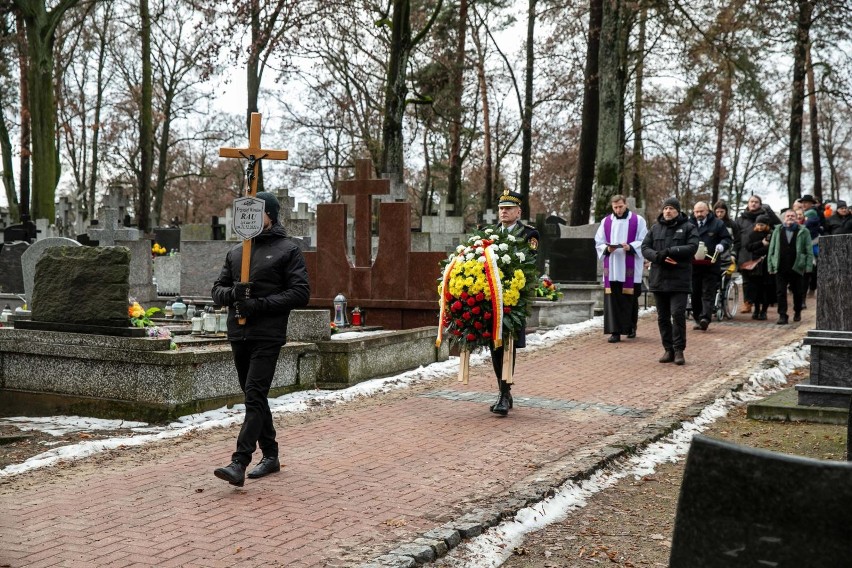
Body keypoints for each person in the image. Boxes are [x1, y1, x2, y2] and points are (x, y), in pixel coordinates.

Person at [210, 191, 310, 486]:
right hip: (239, 332)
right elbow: (217, 291)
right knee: (255, 396)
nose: (249, 218)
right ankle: (271, 454)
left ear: (270, 215)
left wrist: (260, 304)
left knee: (254, 393)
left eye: (256, 212)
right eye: (245, 213)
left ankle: (239, 461)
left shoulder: (286, 250)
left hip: (267, 333)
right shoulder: (237, 252)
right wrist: (234, 294)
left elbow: (300, 293)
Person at [489, 189, 539, 416]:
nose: (503, 212)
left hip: (513, 298)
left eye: (508, 208)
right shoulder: (489, 233)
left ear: (518, 211)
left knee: (508, 345)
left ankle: (503, 392)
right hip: (491, 298)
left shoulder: (529, 234)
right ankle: (504, 393)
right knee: (494, 345)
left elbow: (530, 264)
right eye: (501, 208)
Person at [641, 197, 699, 366]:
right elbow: (645, 247)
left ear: (678, 211)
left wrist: (670, 251)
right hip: (659, 279)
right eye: (665, 208)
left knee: (677, 313)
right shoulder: (655, 228)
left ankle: (679, 349)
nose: (667, 211)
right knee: (663, 317)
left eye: (671, 208)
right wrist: (656, 256)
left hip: (679, 280)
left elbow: (692, 247)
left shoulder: (689, 227)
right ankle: (668, 349)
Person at [594, 195, 648, 343]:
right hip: (612, 266)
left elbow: (644, 241)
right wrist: (607, 248)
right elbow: (598, 241)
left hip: (629, 266)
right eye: (615, 207)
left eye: (620, 206)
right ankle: (615, 332)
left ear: (625, 205)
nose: (618, 210)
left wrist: (630, 247)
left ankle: (631, 326)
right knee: (612, 300)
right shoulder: (606, 222)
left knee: (630, 298)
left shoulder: (638, 221)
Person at [688, 201, 731, 331]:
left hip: (711, 264)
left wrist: (722, 245)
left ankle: (705, 318)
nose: (699, 214)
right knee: (695, 292)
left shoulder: (717, 224)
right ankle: (697, 317)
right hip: (694, 265)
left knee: (708, 291)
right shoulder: (689, 224)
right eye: (696, 212)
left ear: (707, 211)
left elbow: (727, 239)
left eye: (701, 211)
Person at [735, 195, 781, 314]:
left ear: (760, 204)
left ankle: (761, 306)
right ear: (748, 203)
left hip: (762, 255)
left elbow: (778, 225)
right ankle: (747, 303)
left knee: (761, 283)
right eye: (751, 202)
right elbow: (736, 236)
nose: (753, 204)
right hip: (745, 252)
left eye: (756, 202)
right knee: (746, 280)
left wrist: (770, 212)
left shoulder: (766, 216)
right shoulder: (741, 219)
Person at [767, 208, 813, 325]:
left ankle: (797, 311)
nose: (790, 218)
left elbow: (809, 249)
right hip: (780, 266)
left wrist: (808, 266)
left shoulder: (804, 231)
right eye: (788, 216)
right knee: (780, 292)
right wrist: (770, 265)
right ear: (784, 218)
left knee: (798, 292)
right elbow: (771, 249)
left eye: (793, 216)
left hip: (797, 266)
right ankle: (783, 315)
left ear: (797, 218)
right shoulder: (777, 230)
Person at [743, 214, 774, 320]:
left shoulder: (771, 234)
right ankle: (756, 309)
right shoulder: (752, 234)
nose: (760, 227)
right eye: (758, 224)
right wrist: (761, 244)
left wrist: (760, 248)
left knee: (766, 289)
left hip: (766, 264)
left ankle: (764, 310)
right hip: (756, 265)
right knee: (755, 289)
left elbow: (770, 248)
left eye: (762, 225)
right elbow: (748, 247)